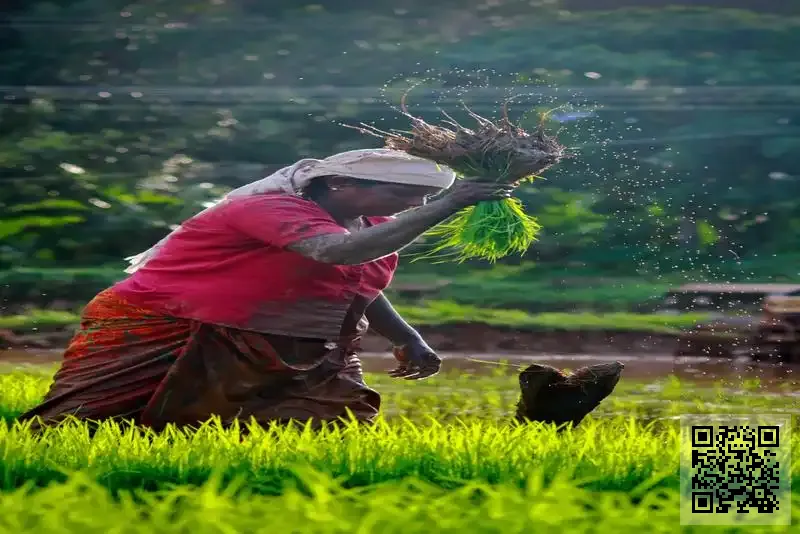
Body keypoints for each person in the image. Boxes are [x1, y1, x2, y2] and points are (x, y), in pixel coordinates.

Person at [18, 149, 516, 431]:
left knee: (330, 428)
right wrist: (448, 205)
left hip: (308, 343)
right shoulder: (266, 208)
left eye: (425, 198)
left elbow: (357, 280)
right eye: (403, 194)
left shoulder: (375, 224)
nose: (415, 206)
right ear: (339, 184)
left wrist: (406, 336)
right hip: (172, 324)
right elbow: (335, 253)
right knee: (88, 424)